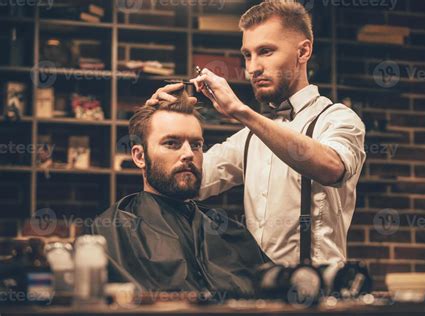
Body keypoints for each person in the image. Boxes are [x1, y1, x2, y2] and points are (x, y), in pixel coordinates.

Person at [146, 1, 366, 266]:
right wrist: (155, 125)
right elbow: (187, 181)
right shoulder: (249, 138)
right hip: (260, 291)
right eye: (247, 55)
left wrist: (241, 111)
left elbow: (332, 168)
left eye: (266, 51)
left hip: (320, 295)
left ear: (303, 51)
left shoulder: (338, 118)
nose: (252, 68)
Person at [91, 89, 270, 295]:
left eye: (196, 145)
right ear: (140, 156)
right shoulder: (114, 230)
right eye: (171, 143)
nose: (188, 154)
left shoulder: (230, 232)